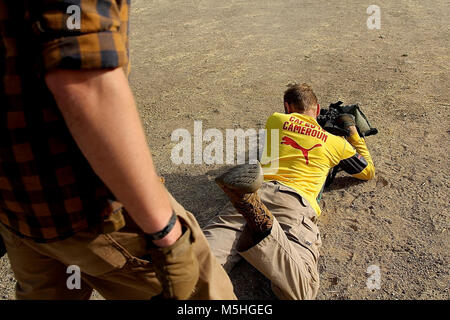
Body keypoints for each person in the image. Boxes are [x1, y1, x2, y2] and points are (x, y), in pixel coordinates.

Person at [0, 0, 235, 300]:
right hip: (93, 211)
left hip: (19, 216)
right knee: (204, 294)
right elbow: (84, 83)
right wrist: (165, 233)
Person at [204, 83, 375, 299]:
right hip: (295, 203)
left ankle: (253, 212)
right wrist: (351, 131)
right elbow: (367, 171)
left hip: (259, 188)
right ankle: (265, 228)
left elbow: (286, 140)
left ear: (287, 106)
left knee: (199, 267)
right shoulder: (335, 144)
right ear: (318, 107)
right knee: (301, 291)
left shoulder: (276, 120)